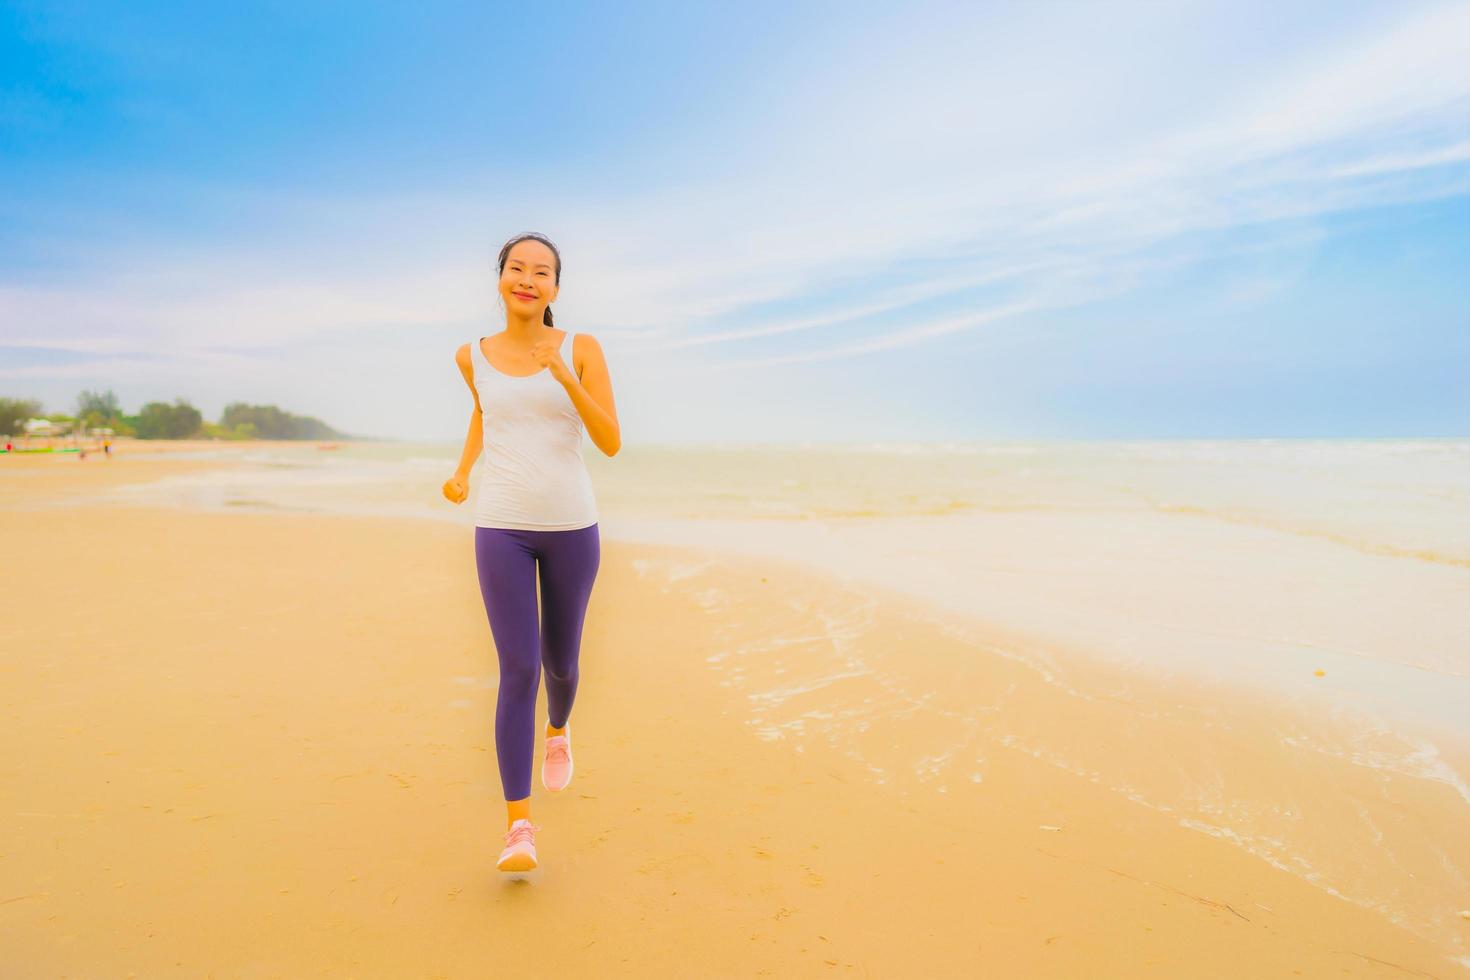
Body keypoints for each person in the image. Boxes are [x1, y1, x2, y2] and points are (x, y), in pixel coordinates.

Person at [442, 232, 621, 874]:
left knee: (560, 667)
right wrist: (463, 471)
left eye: (541, 272)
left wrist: (566, 377)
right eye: (517, 268)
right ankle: (519, 827)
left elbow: (610, 441)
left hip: (572, 525)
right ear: (500, 277)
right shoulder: (473, 356)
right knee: (517, 670)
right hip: (502, 526)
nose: (528, 279)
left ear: (555, 287)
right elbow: (485, 414)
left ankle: (559, 730)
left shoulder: (582, 348)